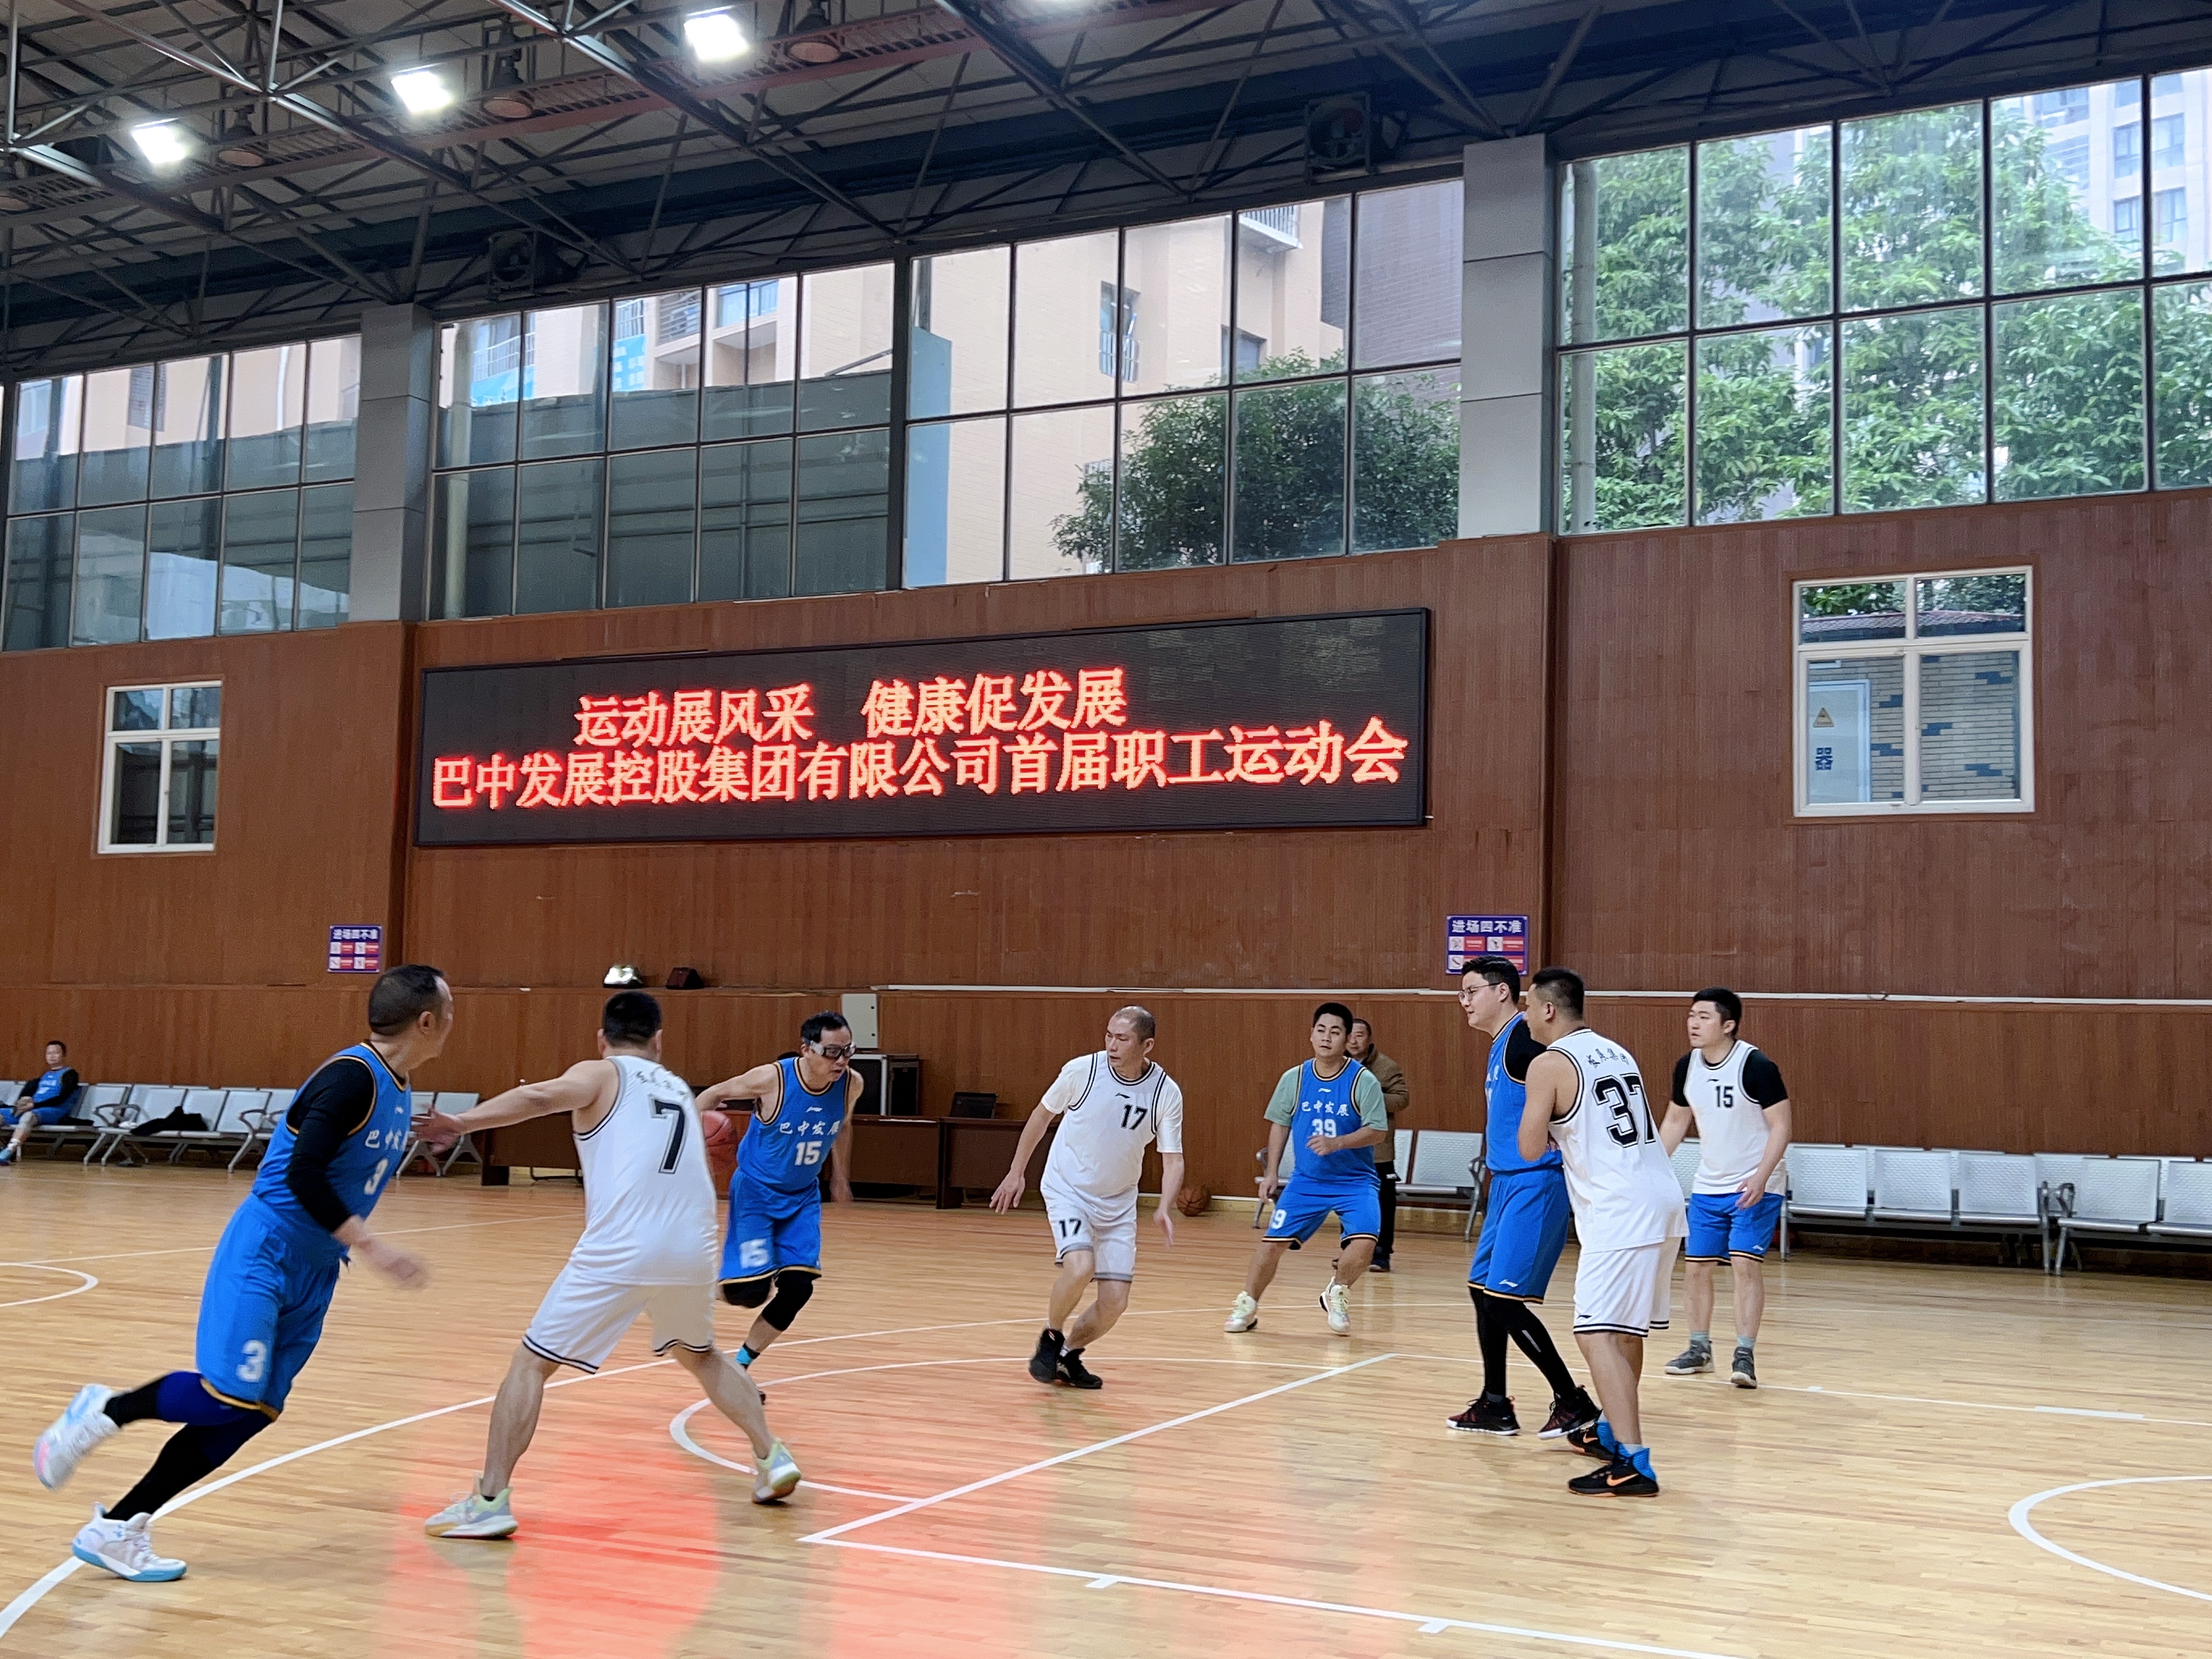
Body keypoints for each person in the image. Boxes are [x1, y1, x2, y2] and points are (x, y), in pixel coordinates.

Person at [31, 966, 463, 1581]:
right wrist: (373, 1247)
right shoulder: (352, 1078)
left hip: (317, 1267)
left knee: (252, 1409)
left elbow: (348, 1165)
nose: (454, 1019)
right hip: (267, 1249)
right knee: (226, 1389)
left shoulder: (398, 1086)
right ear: (426, 1021)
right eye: (451, 1007)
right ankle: (108, 1408)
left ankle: (118, 1528)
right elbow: (301, 1173)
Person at [422, 992, 798, 1539]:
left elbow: (539, 1096)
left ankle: (489, 1500)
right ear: (659, 1041)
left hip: (625, 1245)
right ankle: (771, 1456)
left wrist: (460, 1121)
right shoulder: (677, 1088)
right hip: (693, 1246)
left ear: (603, 1039)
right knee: (701, 1354)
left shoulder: (601, 1073)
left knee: (531, 1365)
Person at [1517, 968, 1686, 1498]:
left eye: (1527, 1005)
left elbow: (1528, 1147)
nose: (1524, 1015)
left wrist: (1542, 1121)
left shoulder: (1548, 1063)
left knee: (1594, 1333)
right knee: (1626, 1331)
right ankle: (1612, 1432)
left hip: (1620, 1210)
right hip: (1662, 1196)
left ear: (1548, 1009)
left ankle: (1633, 1461)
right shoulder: (1616, 1052)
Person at [990, 1006, 1185, 1390]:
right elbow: (1041, 1117)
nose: (1112, 1045)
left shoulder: (1166, 1092)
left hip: (1119, 1203)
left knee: (1115, 1303)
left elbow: (1174, 1158)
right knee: (1080, 1267)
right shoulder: (1083, 1071)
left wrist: (1165, 1205)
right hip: (1069, 1190)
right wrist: (1016, 1172)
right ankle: (1051, 1337)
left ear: (1147, 1046)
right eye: (1109, 1035)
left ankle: (1067, 1357)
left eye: (1122, 1039)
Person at [1447, 958, 1600, 1441]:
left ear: (1502, 993)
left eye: (1471, 991)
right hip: (1506, 1185)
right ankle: (1495, 1403)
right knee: (1482, 1290)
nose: (1465, 1001)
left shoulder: (1524, 1041)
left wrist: (1565, 1132)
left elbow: (1571, 1080)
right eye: (1462, 993)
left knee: (1506, 1302)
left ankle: (1572, 1401)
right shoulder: (1503, 1045)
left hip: (1535, 1183)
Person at [693, 1011, 859, 1383]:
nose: (842, 1061)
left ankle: (741, 1366)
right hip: (756, 1193)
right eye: (833, 1052)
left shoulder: (852, 1084)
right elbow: (711, 1095)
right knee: (750, 1292)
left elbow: (844, 1126)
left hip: (802, 1197)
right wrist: (692, 1152)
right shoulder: (772, 1080)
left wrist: (840, 1176)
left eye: (848, 1051)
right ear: (807, 1050)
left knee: (798, 1288)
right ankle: (692, 1290)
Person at [1224, 1003, 1387, 1337]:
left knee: (1365, 1243)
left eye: (1336, 1032)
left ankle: (1337, 1292)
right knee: (1271, 1244)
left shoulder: (1363, 1081)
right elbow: (1280, 1124)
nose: (1327, 1038)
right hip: (1307, 1181)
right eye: (1321, 1030)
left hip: (1355, 1181)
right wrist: (1272, 1173)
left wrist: (1338, 1143)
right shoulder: (1295, 1078)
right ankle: (1248, 1306)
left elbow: (1378, 1131)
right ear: (1311, 1035)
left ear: (1347, 1039)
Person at [1658, 988, 1792, 1391]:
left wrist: (1761, 1177)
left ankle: (1745, 1354)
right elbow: (1676, 1122)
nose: (1693, 1023)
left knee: (1744, 1264)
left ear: (1728, 1025)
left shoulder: (1757, 1066)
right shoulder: (1687, 1066)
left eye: (1704, 1017)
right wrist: (1650, 1170)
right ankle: (1699, 1349)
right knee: (1696, 1267)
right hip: (1709, 1185)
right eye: (1691, 1015)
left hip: (1756, 1183)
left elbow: (1782, 1127)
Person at [1344, 1019, 1407, 1271]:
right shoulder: (1337, 1065)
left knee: (1382, 1202)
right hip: (1347, 1147)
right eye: (1349, 1035)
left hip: (1378, 1149)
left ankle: (1381, 1255)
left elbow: (1401, 1100)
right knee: (1348, 1200)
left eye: (1359, 1035)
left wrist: (1370, 1096)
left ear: (1369, 1039)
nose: (1353, 1041)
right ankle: (1350, 1253)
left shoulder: (1386, 1066)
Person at [2, 1041, 81, 1164]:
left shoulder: (70, 1074)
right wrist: (23, 1104)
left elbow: (62, 1098)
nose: (52, 1056)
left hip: (54, 1110)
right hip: (33, 1107)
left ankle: (9, 1151)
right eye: (49, 1053)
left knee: (28, 1116)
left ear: (64, 1055)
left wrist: (34, 1105)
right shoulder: (44, 1076)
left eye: (56, 1053)